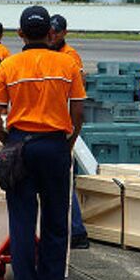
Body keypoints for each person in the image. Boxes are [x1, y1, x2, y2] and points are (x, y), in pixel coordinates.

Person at [0, 5, 85, 280]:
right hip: (55, 145)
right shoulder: (67, 64)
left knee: (22, 222)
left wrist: (8, 141)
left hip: (20, 146)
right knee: (56, 222)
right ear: (51, 32)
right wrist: (68, 143)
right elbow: (78, 112)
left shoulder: (10, 66)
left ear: (20, 34)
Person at [49, 14, 89, 249]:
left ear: (64, 32)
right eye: (49, 32)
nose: (52, 35)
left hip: (64, 124)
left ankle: (77, 231)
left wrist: (72, 133)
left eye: (56, 32)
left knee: (65, 180)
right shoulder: (51, 54)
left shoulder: (70, 57)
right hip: (54, 122)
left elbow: (77, 96)